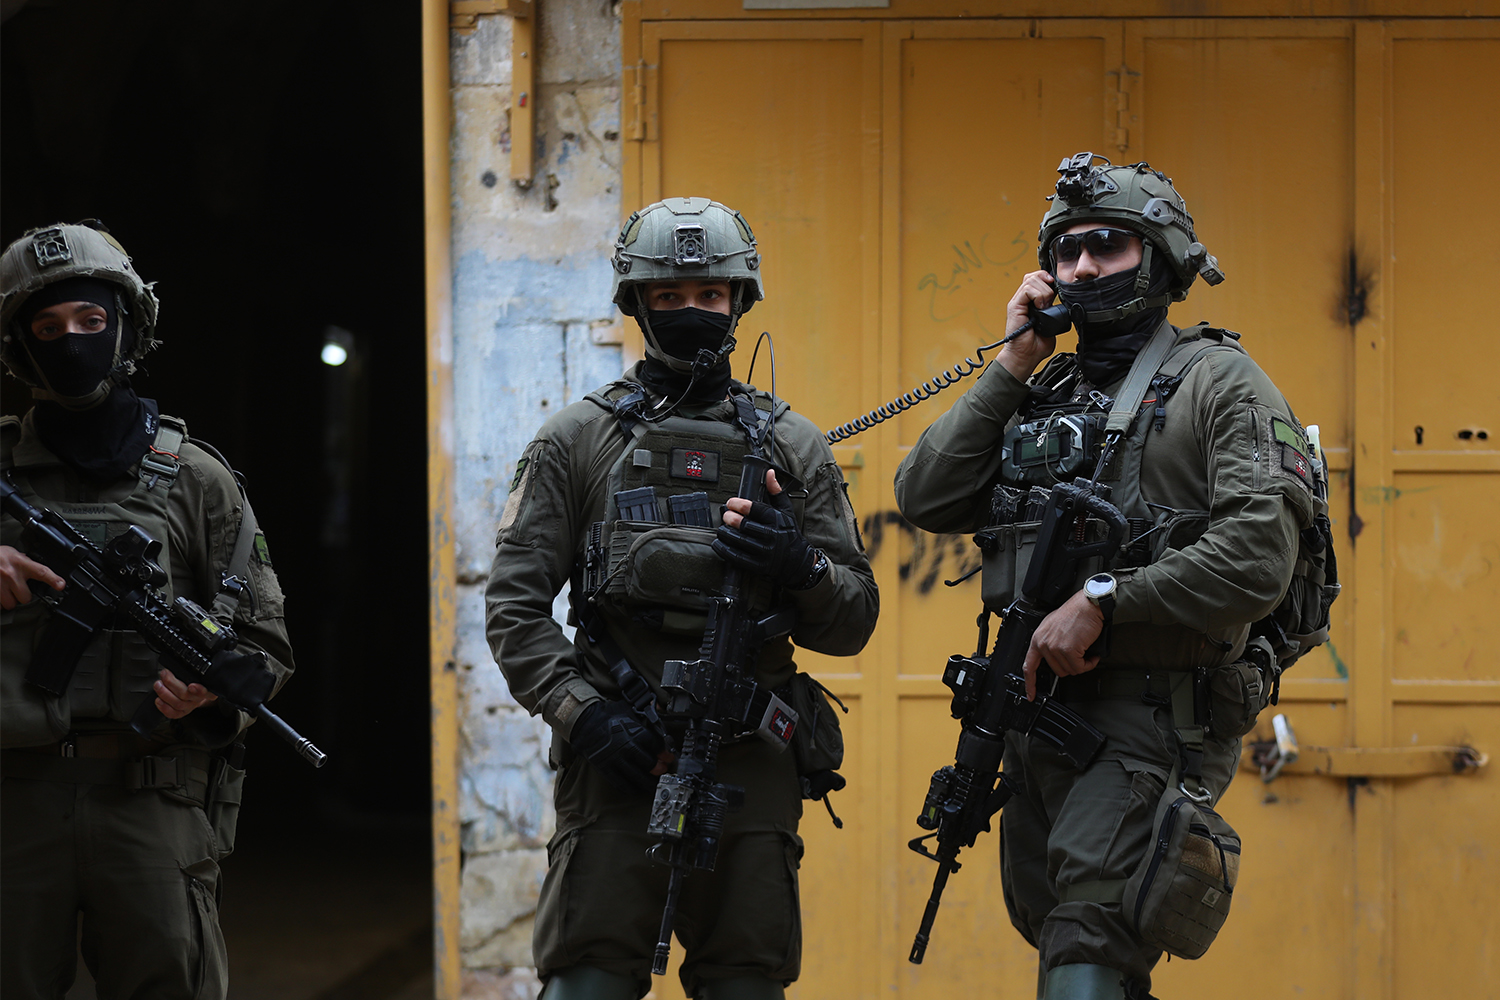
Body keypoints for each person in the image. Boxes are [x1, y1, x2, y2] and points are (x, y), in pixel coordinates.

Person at [895, 154, 1317, 999]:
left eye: (1109, 246)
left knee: (1088, 945)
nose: (1082, 267)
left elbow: (1257, 559)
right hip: (1036, 723)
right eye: (1067, 251)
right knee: (1070, 942)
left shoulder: (1218, 384)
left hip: (1148, 719)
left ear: (1160, 259)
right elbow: (925, 494)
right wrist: (1012, 364)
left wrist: (1105, 601)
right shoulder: (1043, 387)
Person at [485, 196, 878, 1000]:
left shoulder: (792, 444)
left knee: (745, 981)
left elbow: (853, 621)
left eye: (710, 295)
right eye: (669, 296)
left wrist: (797, 563)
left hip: (752, 763)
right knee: (585, 980)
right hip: (618, 763)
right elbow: (514, 611)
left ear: (739, 302)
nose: (693, 312)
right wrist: (584, 716)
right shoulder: (576, 441)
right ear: (636, 304)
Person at [0, 221, 294, 999]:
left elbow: (263, 646)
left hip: (151, 798)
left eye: (90, 321)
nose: (70, 342)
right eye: (47, 327)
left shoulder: (196, 478)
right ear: (21, 347)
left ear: (126, 326)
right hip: (12, 803)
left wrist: (210, 699)